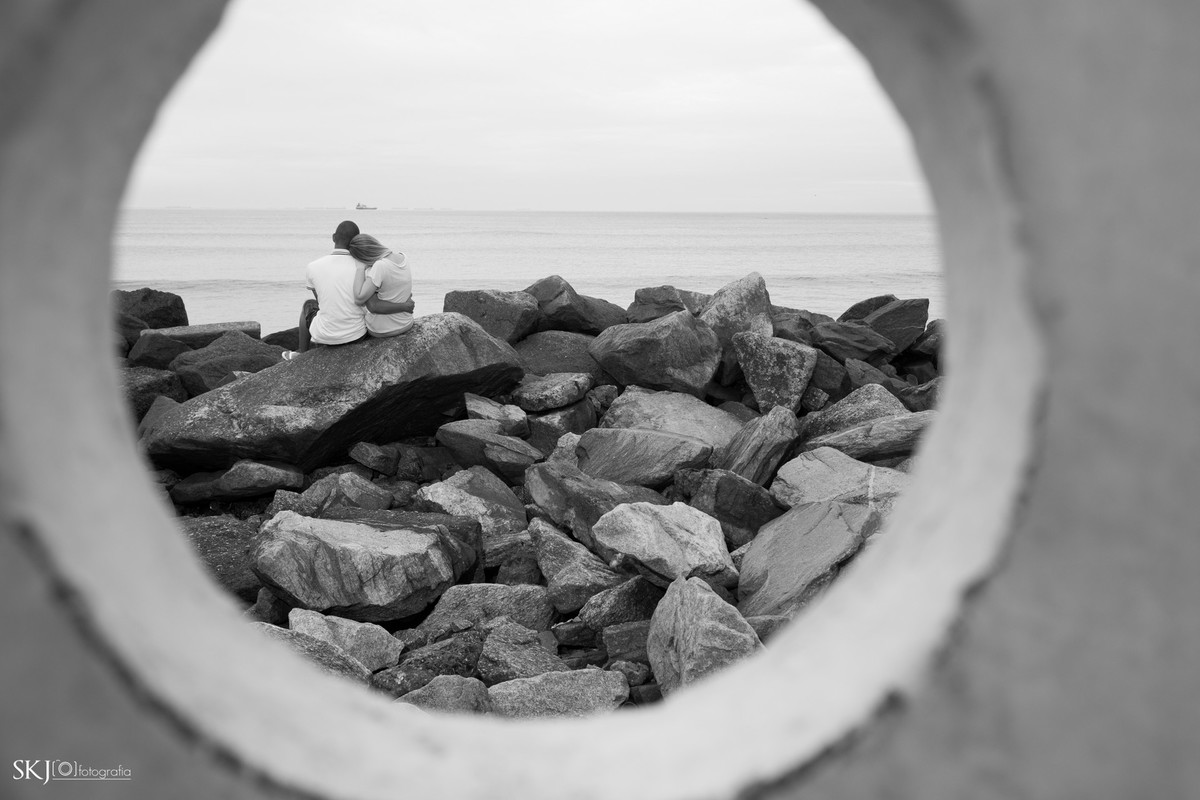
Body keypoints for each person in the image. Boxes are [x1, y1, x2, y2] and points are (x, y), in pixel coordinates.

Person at [285, 220, 412, 358]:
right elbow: (371, 303)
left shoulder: (312, 266)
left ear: (334, 237)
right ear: (355, 241)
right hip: (357, 335)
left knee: (308, 305)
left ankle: (301, 354)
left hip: (325, 335)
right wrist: (404, 305)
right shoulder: (366, 265)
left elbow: (322, 302)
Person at [347, 233, 414, 338]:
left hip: (383, 329)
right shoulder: (403, 257)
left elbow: (359, 299)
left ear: (362, 257)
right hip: (406, 323)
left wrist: (360, 268)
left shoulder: (380, 266)